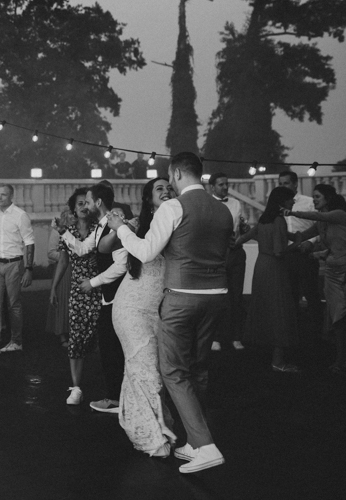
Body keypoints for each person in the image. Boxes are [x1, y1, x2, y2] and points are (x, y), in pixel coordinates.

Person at [108, 152, 232, 474]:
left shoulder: (174, 208)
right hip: (217, 296)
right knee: (198, 367)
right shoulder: (223, 209)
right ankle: (192, 441)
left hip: (182, 298)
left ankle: (204, 445)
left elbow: (148, 251)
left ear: (176, 173)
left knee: (174, 372)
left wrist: (121, 229)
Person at [112, 177, 177, 457]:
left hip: (157, 310)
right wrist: (117, 227)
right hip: (130, 307)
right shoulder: (139, 226)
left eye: (169, 187)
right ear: (149, 198)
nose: (166, 191)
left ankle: (147, 423)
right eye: (159, 188)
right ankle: (152, 437)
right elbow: (110, 253)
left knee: (148, 370)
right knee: (146, 369)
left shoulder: (174, 224)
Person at [59, 183, 128, 413]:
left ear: (98, 202)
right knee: (110, 349)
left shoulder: (114, 223)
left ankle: (120, 400)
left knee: (115, 349)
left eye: (88, 201)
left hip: (120, 294)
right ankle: (117, 398)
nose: (85, 205)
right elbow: (81, 249)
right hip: (108, 296)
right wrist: (62, 232)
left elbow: (122, 264)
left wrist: (93, 282)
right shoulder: (100, 226)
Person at [287, 183, 346, 372]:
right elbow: (300, 237)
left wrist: (292, 213)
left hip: (345, 271)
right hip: (331, 272)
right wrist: (274, 230)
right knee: (336, 315)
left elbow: (318, 216)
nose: (314, 200)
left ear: (327, 199)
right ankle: (343, 357)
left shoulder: (338, 214)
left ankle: (344, 359)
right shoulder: (322, 223)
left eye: (317, 197)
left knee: (341, 314)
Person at [240, 187, 299, 372]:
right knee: (279, 311)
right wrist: (296, 244)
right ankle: (278, 361)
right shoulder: (280, 220)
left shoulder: (264, 219)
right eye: (291, 199)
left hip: (261, 265)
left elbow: (246, 237)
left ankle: (267, 356)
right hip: (274, 267)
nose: (294, 202)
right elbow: (279, 251)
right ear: (283, 202)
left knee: (265, 308)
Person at [52, 188, 100, 404]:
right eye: (78, 204)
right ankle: (76, 387)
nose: (82, 207)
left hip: (99, 289)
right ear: (73, 208)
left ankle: (108, 384)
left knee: (100, 338)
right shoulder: (68, 231)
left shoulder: (99, 229)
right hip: (77, 292)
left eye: (85, 203)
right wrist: (54, 287)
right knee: (76, 339)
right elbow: (63, 261)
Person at [0, 184, 34, 354]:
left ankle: (16, 341)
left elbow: (30, 242)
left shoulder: (20, 215)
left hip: (14, 264)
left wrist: (28, 268)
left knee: (13, 305)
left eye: (3, 194)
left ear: (11, 196)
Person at [210, 173, 248, 352]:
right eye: (221, 184)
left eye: (226, 184)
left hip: (235, 253)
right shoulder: (207, 203)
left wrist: (243, 230)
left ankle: (236, 336)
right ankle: (215, 337)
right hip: (215, 254)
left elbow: (239, 228)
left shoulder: (236, 203)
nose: (225, 187)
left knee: (236, 297)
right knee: (217, 297)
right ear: (212, 187)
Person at [279, 171, 319, 315]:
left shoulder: (309, 202)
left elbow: (320, 227)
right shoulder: (278, 204)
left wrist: (311, 242)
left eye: (286, 183)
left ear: (295, 184)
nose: (283, 186)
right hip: (287, 255)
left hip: (306, 253)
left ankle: (315, 332)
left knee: (312, 294)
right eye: (281, 184)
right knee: (290, 295)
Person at [44, 209, 71, 347]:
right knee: (62, 300)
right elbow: (51, 252)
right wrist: (68, 257)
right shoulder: (57, 231)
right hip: (64, 270)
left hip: (77, 270)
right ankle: (62, 334)